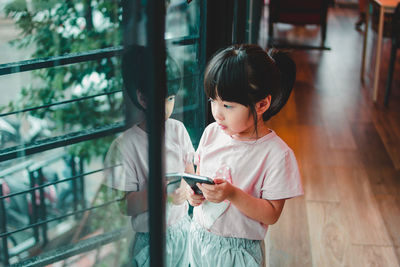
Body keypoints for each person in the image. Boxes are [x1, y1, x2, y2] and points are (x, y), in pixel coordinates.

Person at [186, 44, 304, 267]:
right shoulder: (211, 133)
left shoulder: (276, 155)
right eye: (213, 101)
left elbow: (271, 214)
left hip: (238, 254)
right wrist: (195, 195)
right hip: (199, 240)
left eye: (228, 106)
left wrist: (231, 194)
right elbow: (200, 175)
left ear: (261, 105)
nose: (217, 113)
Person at [104, 45, 195, 267]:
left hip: (183, 227)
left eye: (171, 98)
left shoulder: (178, 130)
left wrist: (185, 186)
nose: (168, 106)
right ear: (143, 99)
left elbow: (190, 171)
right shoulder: (125, 146)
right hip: (150, 241)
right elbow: (124, 206)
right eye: (161, 99)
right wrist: (160, 193)